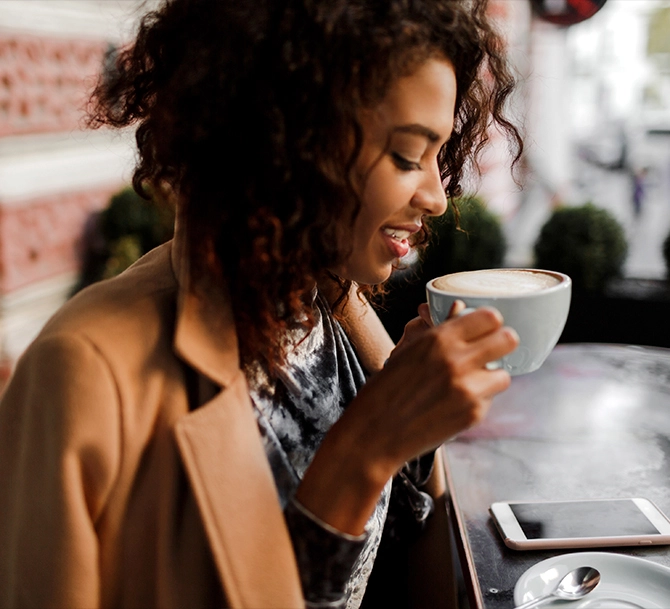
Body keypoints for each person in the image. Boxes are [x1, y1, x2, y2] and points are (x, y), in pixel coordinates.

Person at [0, 0, 523, 607]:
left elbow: (406, 552)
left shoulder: (326, 302)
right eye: (408, 156)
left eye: (441, 154)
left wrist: (416, 424)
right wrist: (364, 449)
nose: (435, 195)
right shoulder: (83, 373)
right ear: (291, 141)